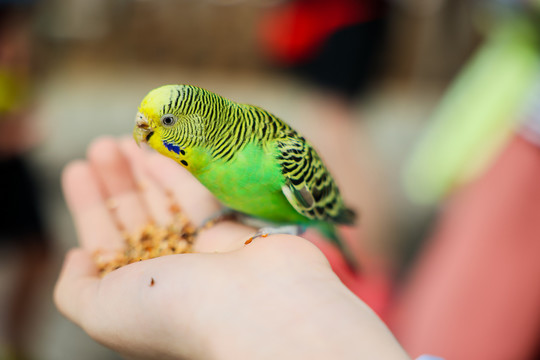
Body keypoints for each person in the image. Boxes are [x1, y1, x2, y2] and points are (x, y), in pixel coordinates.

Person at [54, 137, 416, 360]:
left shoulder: (279, 155)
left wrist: (290, 236)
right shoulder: (206, 165)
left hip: (308, 219)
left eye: (164, 121)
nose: (145, 131)